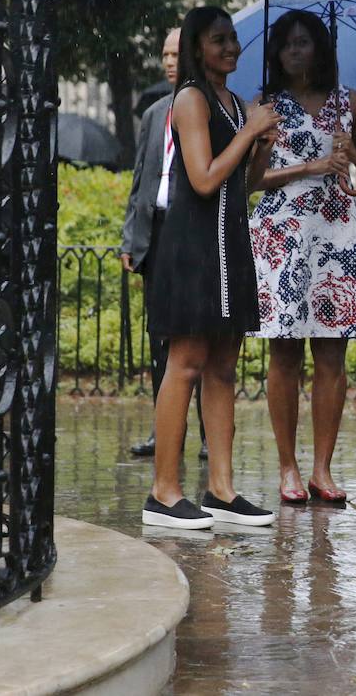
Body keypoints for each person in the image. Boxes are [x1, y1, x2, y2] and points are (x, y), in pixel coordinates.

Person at [141, 6, 281, 530]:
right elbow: (201, 180)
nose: (230, 48)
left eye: (234, 39)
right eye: (219, 39)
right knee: (188, 360)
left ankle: (221, 490)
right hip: (193, 245)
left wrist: (261, 147)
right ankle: (163, 491)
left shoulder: (234, 102)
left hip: (230, 244)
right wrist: (250, 133)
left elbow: (240, 185)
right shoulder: (191, 99)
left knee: (224, 364)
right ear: (199, 46)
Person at [249, 10, 356, 505]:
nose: (295, 52)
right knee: (284, 351)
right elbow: (249, 182)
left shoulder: (352, 103)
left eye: (304, 42)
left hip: (336, 234)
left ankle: (321, 469)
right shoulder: (264, 106)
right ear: (276, 54)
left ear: (321, 48)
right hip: (281, 233)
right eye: (287, 44)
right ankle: (287, 467)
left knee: (331, 353)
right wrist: (309, 164)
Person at [122, 27, 207, 460]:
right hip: (157, 234)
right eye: (165, 54)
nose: (170, 61)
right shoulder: (155, 113)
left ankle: (210, 435)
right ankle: (163, 431)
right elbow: (140, 181)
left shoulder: (212, 109)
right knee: (162, 339)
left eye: (177, 53)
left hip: (194, 231)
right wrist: (131, 240)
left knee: (202, 337)